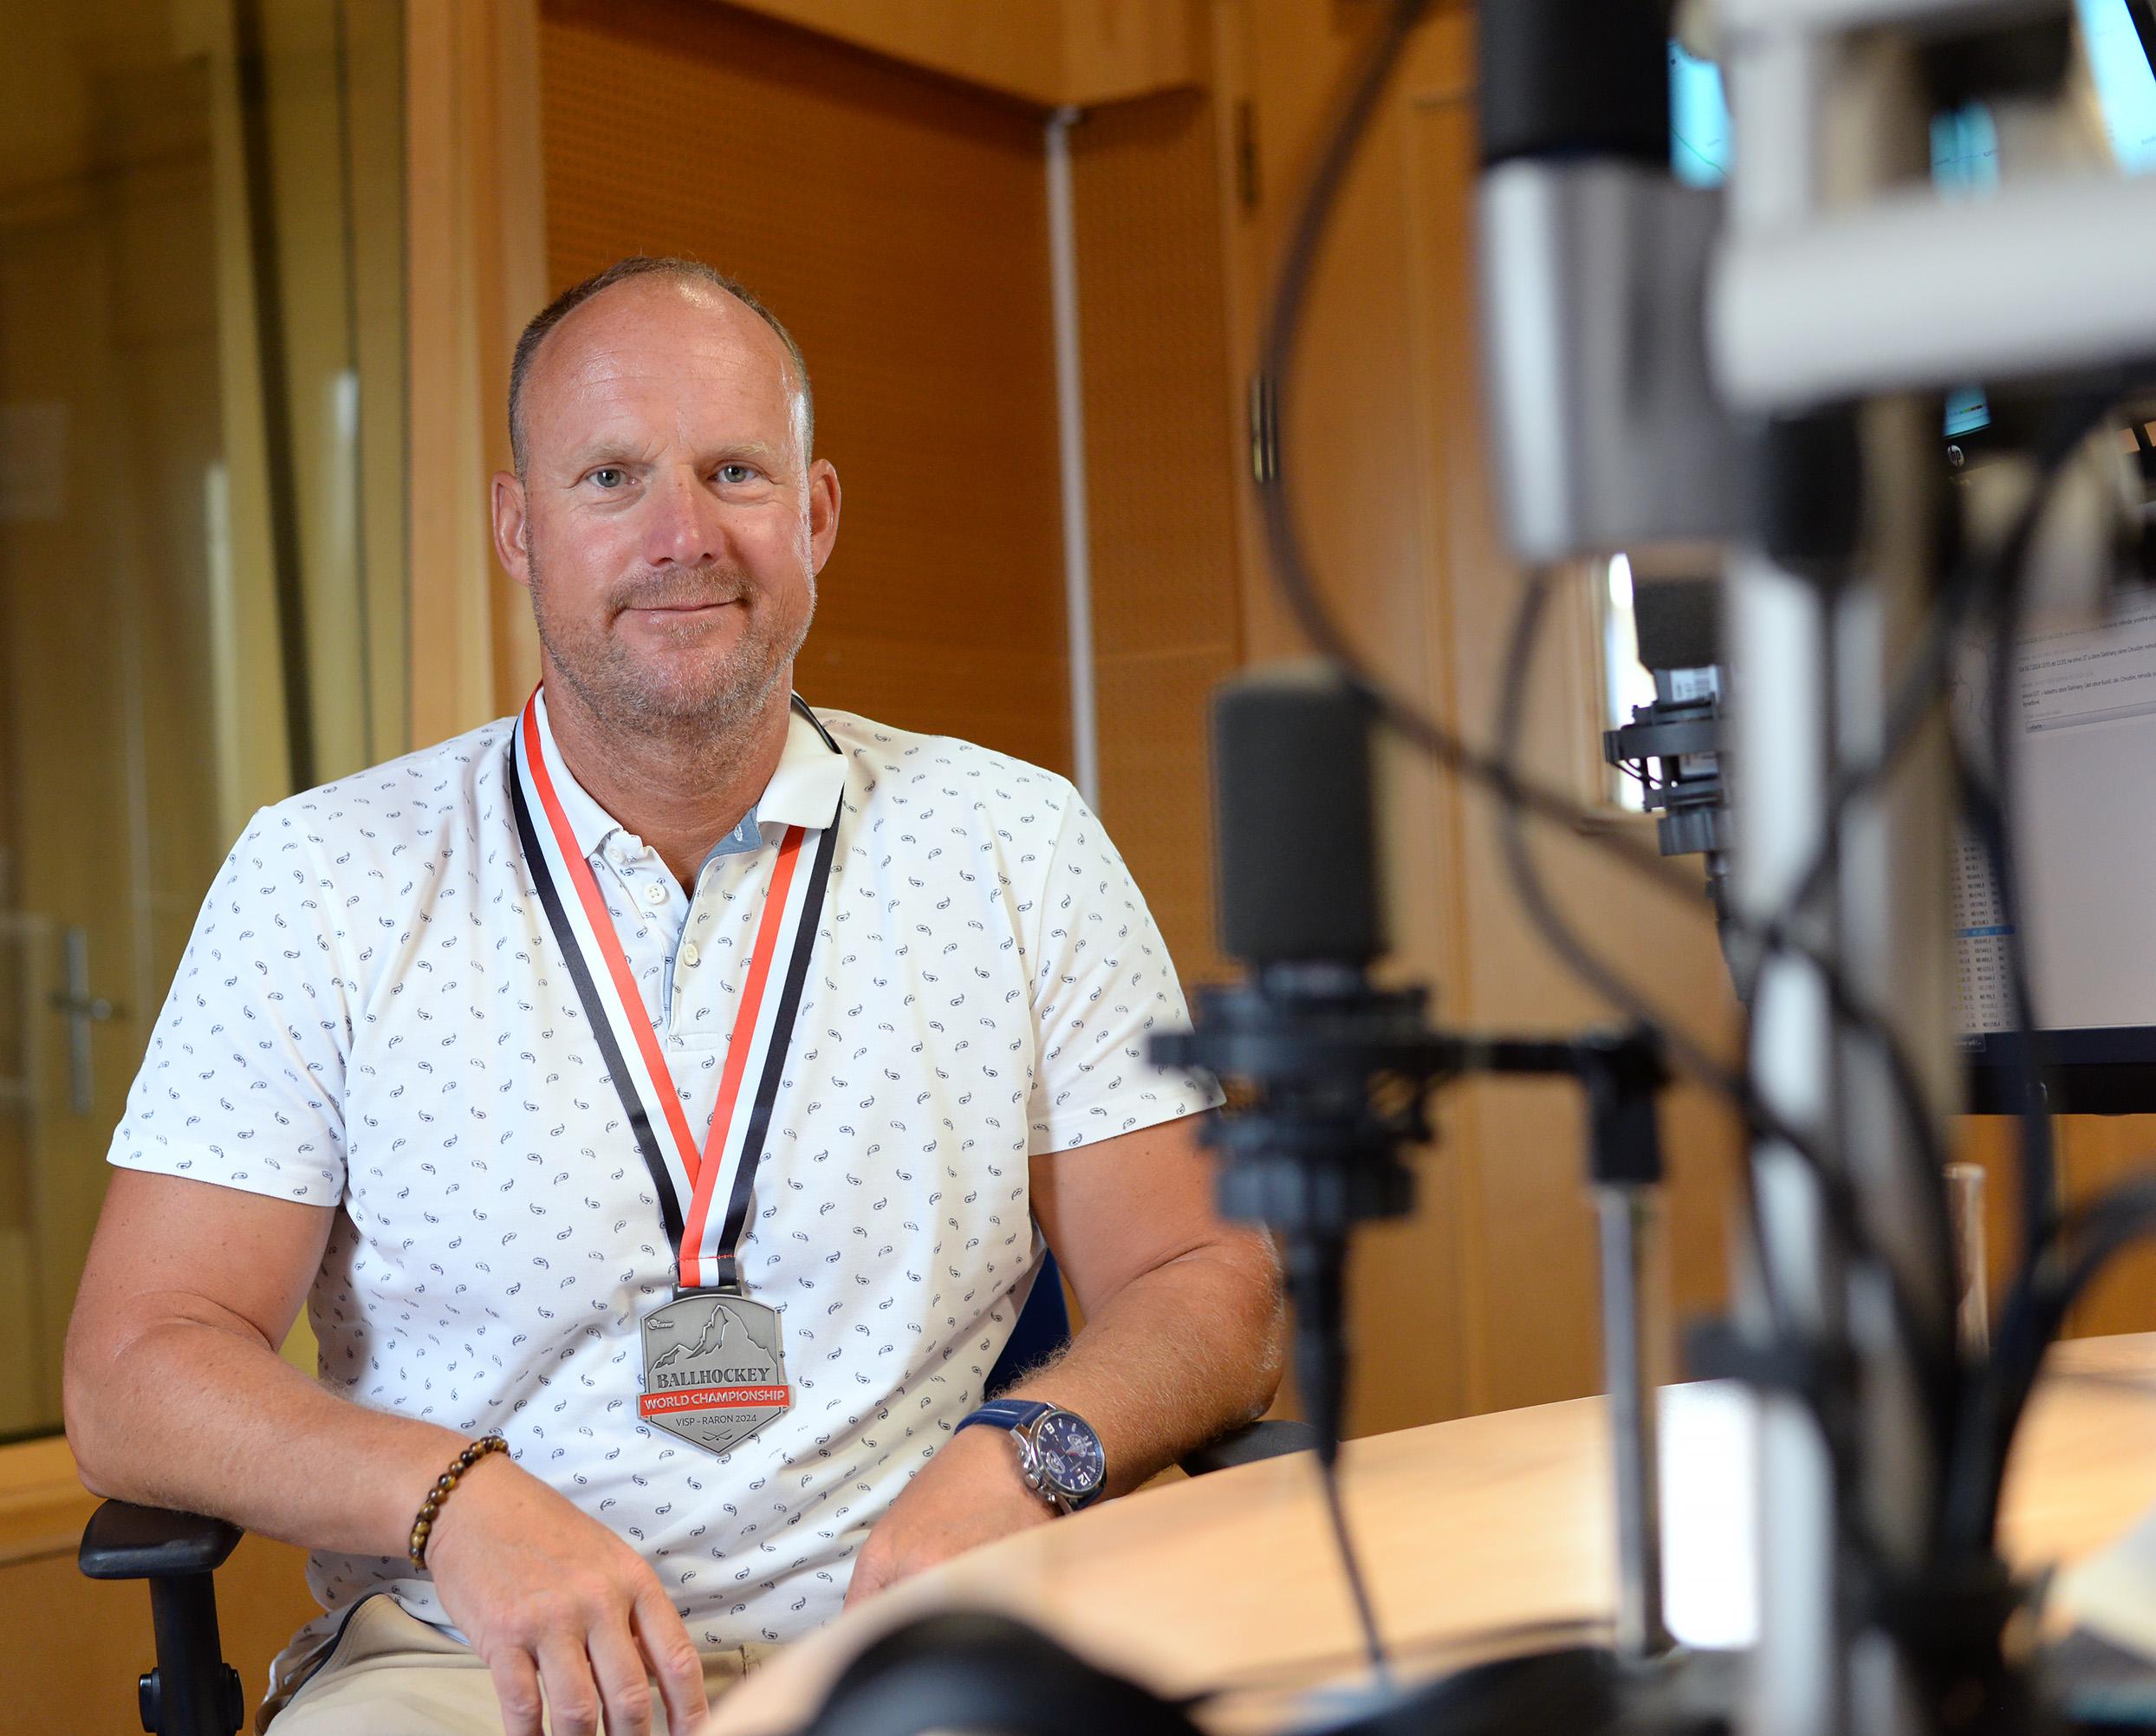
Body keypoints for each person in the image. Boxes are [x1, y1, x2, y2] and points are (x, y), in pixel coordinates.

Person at [63, 256, 1283, 1736]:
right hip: (473, 1668)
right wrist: (454, 1500)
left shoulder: (1012, 843)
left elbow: (1209, 1279)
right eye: (610, 478)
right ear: (519, 528)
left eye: (734, 473)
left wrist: (1028, 1457)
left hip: (921, 1653)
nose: (682, 535)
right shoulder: (321, 879)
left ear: (816, 516)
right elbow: (135, 1369)